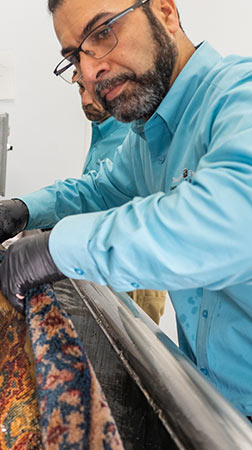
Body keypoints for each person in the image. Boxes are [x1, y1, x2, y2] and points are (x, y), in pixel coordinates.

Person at [0, 0, 252, 447]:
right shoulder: (154, 137)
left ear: (164, 11)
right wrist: (26, 208)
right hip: (219, 419)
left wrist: (56, 248)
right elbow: (101, 189)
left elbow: (244, 225)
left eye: (102, 32)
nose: (90, 70)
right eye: (74, 57)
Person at [75, 70, 167, 323]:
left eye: (91, 91)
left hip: (136, 271)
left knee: (134, 350)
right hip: (106, 263)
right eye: (80, 90)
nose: (85, 101)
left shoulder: (131, 134)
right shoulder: (101, 133)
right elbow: (95, 192)